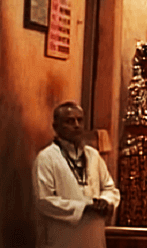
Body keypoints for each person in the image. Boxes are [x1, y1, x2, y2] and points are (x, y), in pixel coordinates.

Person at [33, 101, 120, 248]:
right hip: (63, 241)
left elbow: (109, 188)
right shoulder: (46, 158)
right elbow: (44, 201)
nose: (76, 125)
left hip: (94, 239)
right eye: (69, 121)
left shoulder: (93, 155)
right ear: (56, 127)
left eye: (80, 120)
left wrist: (105, 201)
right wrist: (83, 207)